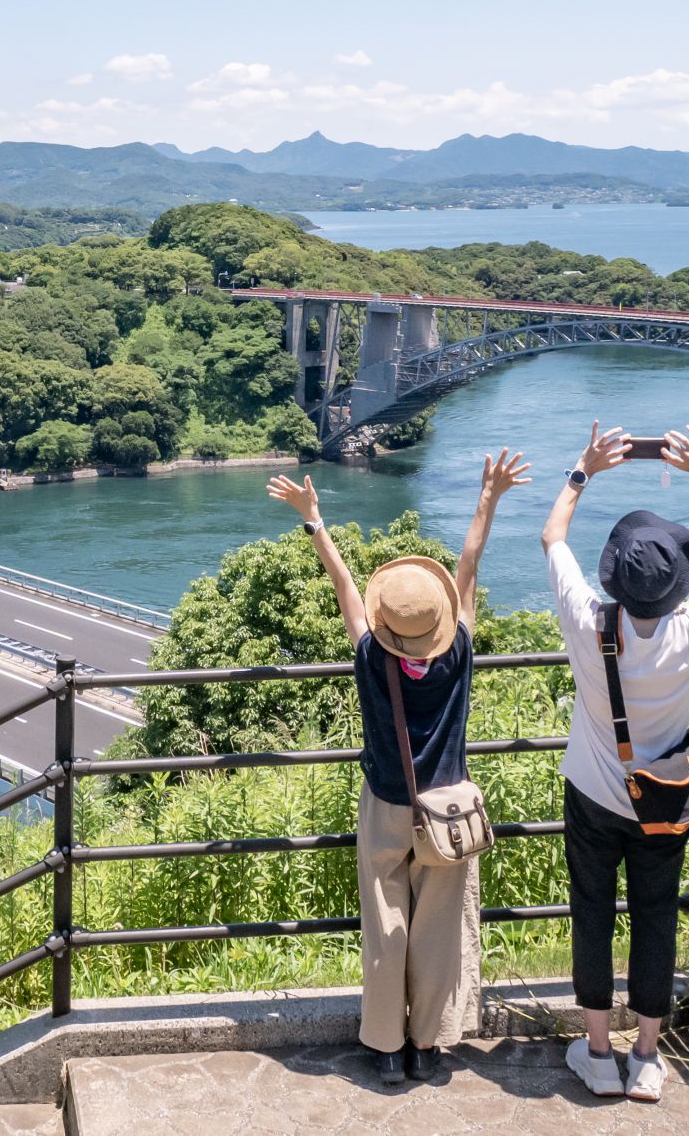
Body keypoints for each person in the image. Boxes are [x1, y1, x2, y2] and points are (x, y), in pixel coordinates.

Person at [269, 448, 531, 1085]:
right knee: (439, 929)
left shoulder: (369, 656)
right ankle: (428, 1046)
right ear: (441, 623)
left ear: (385, 624)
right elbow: (468, 565)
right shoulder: (458, 654)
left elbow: (346, 592)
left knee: (385, 925)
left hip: (388, 802)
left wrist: (315, 522)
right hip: (448, 811)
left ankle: (385, 1048)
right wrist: (487, 497)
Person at [541, 423, 689, 1103]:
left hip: (593, 795)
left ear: (616, 579)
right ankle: (647, 1058)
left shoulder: (588, 622)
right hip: (662, 803)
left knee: (592, 913)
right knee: (656, 917)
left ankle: (596, 1053)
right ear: (675, 584)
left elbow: (551, 539)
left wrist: (582, 470)